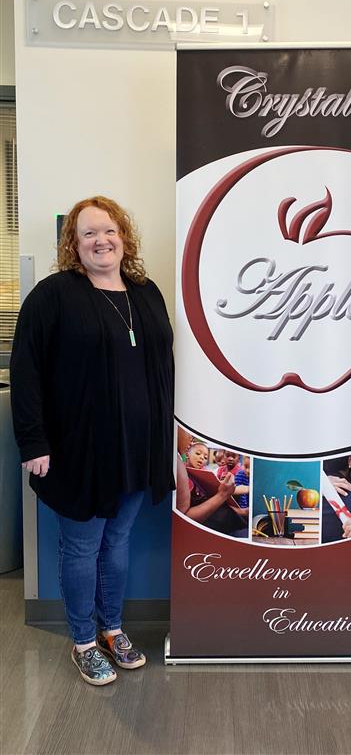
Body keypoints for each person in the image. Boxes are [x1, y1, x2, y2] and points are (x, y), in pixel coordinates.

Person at [10, 196, 174, 686]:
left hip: (136, 448)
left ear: (123, 236)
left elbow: (163, 368)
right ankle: (83, 640)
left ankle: (112, 628)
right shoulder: (53, 295)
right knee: (81, 546)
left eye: (109, 231)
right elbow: (27, 371)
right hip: (78, 449)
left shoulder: (146, 292)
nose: (101, 241)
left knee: (118, 540)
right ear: (73, 244)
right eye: (88, 234)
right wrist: (33, 442)